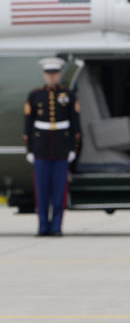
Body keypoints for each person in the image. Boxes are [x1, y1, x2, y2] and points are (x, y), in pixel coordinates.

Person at [23, 58, 80, 236]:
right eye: (48, 74)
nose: (51, 77)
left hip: (61, 149)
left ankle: (56, 226)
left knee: (59, 192)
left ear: (59, 75)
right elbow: (28, 125)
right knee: (41, 192)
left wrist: (72, 148)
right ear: (44, 75)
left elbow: (75, 125)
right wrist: (30, 150)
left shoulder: (68, 95)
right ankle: (42, 226)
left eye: (54, 74)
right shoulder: (35, 95)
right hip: (41, 149)